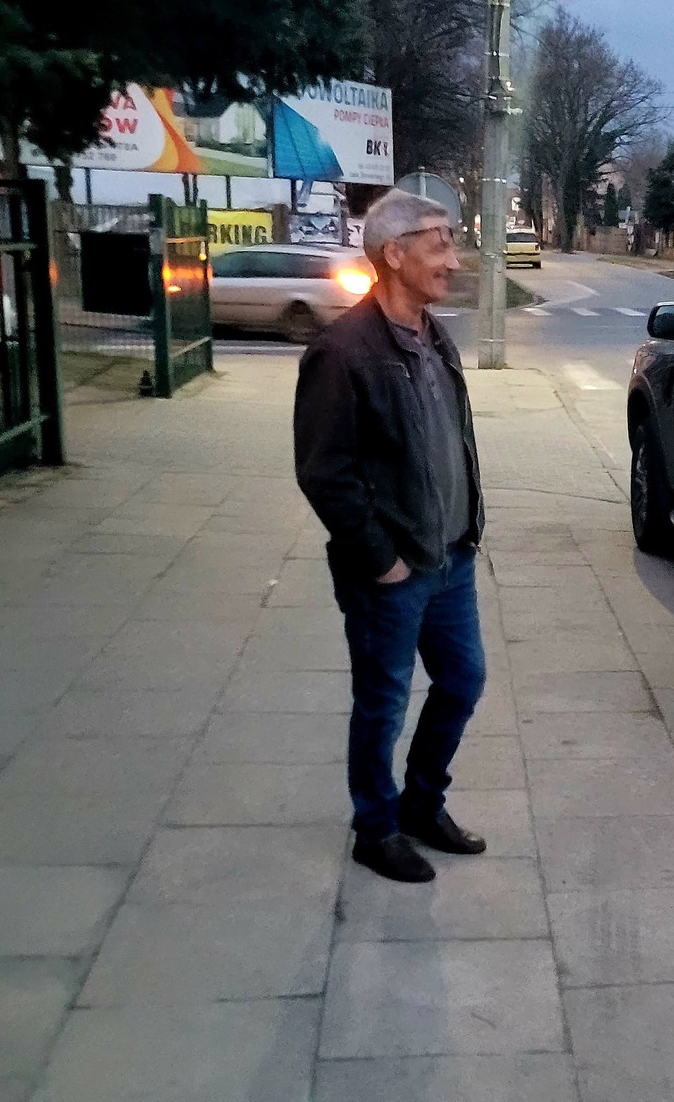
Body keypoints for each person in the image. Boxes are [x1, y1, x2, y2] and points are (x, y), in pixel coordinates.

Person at [294, 191, 488, 883]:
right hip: (393, 570)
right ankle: (375, 829)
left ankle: (422, 804)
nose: (452, 259)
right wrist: (381, 560)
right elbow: (325, 472)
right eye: (439, 243)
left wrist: (466, 528)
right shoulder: (342, 351)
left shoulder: (433, 334)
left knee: (462, 682)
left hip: (451, 556)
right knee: (383, 703)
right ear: (394, 254)